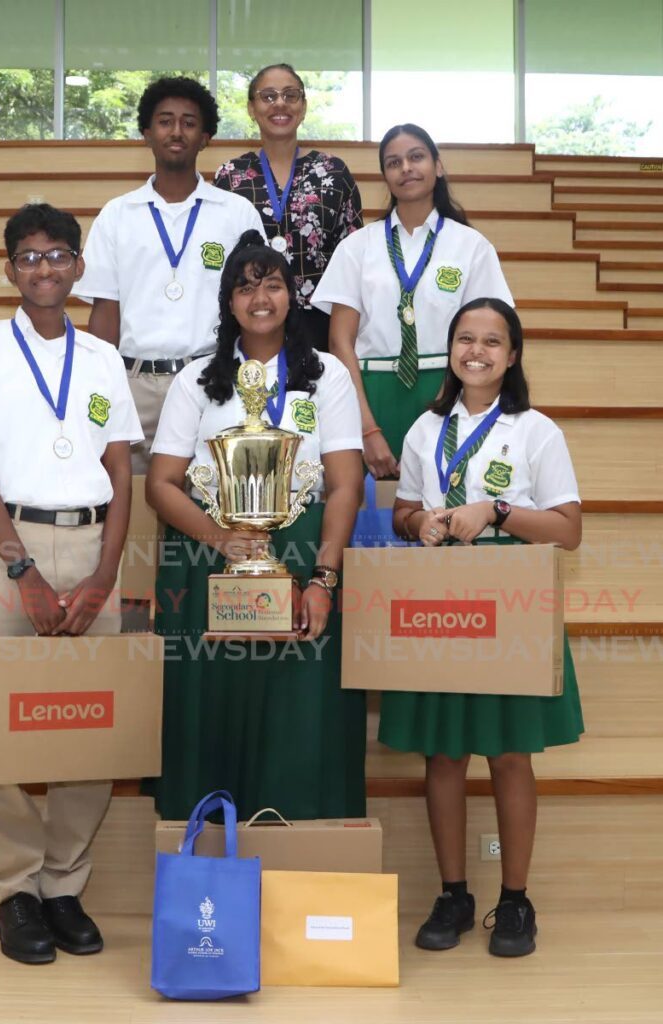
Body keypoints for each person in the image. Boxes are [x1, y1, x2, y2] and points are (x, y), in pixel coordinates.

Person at [0, 203, 143, 964]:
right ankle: (16, 891)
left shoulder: (101, 358)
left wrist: (106, 572)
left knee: (89, 729)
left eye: (58, 255)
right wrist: (20, 569)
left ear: (79, 267)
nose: (44, 268)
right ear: (10, 269)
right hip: (6, 545)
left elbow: (121, 472)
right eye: (28, 256)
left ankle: (63, 886)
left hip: (93, 544)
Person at [145, 230, 366, 820]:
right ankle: (207, 858)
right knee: (211, 708)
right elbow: (161, 484)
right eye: (245, 287)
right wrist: (223, 539)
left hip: (302, 550)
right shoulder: (196, 379)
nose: (260, 297)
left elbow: (346, 484)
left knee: (300, 717)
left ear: (292, 296)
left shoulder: (327, 376)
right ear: (228, 302)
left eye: (272, 284)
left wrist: (324, 580)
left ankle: (301, 861)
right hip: (207, 553)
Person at [387, 297, 584, 958]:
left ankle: (515, 900)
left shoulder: (535, 430)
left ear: (512, 355)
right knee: (442, 751)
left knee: (506, 752)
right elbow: (402, 510)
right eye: (464, 339)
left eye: (491, 341)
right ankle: (452, 892)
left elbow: (567, 528)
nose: (476, 350)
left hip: (510, 595)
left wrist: (495, 511)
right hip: (438, 595)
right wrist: (423, 523)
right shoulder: (423, 427)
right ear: (450, 350)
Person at [73, 76, 264, 473]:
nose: (176, 131)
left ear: (206, 136)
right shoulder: (116, 215)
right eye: (165, 121)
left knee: (213, 501)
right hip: (133, 382)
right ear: (146, 133)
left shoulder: (236, 213)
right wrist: (100, 386)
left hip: (211, 377)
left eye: (189, 122)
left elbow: (255, 304)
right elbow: (105, 312)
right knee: (130, 504)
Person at [312, 123, 513, 479]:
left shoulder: (471, 246)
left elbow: (487, 334)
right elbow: (338, 341)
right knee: (372, 518)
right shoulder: (357, 247)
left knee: (439, 509)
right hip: (371, 394)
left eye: (416, 157)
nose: (406, 168)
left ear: (437, 166)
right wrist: (366, 429)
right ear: (385, 177)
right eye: (393, 162)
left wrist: (443, 410)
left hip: (450, 390)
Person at [214, 63, 363, 354]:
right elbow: (223, 263)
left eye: (290, 95)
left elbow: (352, 258)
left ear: (304, 107)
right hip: (252, 318)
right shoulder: (230, 175)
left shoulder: (333, 172)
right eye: (268, 96)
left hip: (319, 324)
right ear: (251, 108)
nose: (280, 103)